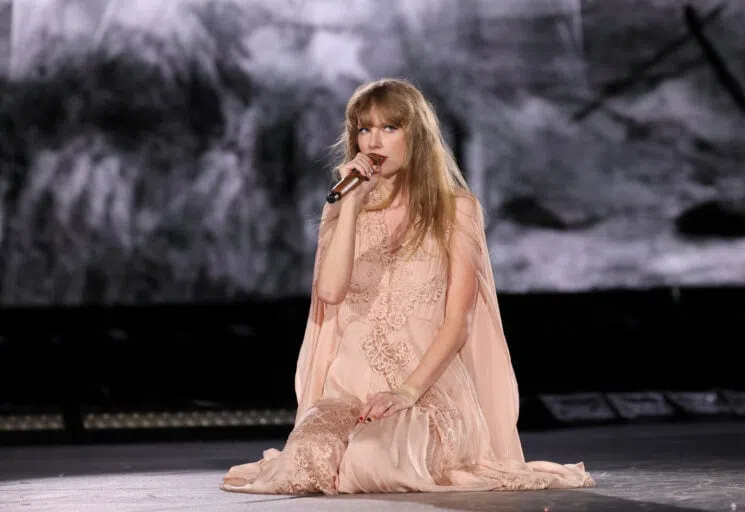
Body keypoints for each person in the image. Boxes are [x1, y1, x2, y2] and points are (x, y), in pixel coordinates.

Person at [220, 78, 595, 495]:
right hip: (349, 389)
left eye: (389, 128)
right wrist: (351, 205)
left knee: (374, 460)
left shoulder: (456, 210)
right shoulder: (342, 208)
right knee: (306, 462)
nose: (373, 141)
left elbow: (458, 322)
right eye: (364, 129)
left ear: (415, 135)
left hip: (425, 388)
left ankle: (397, 439)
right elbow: (329, 293)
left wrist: (406, 391)